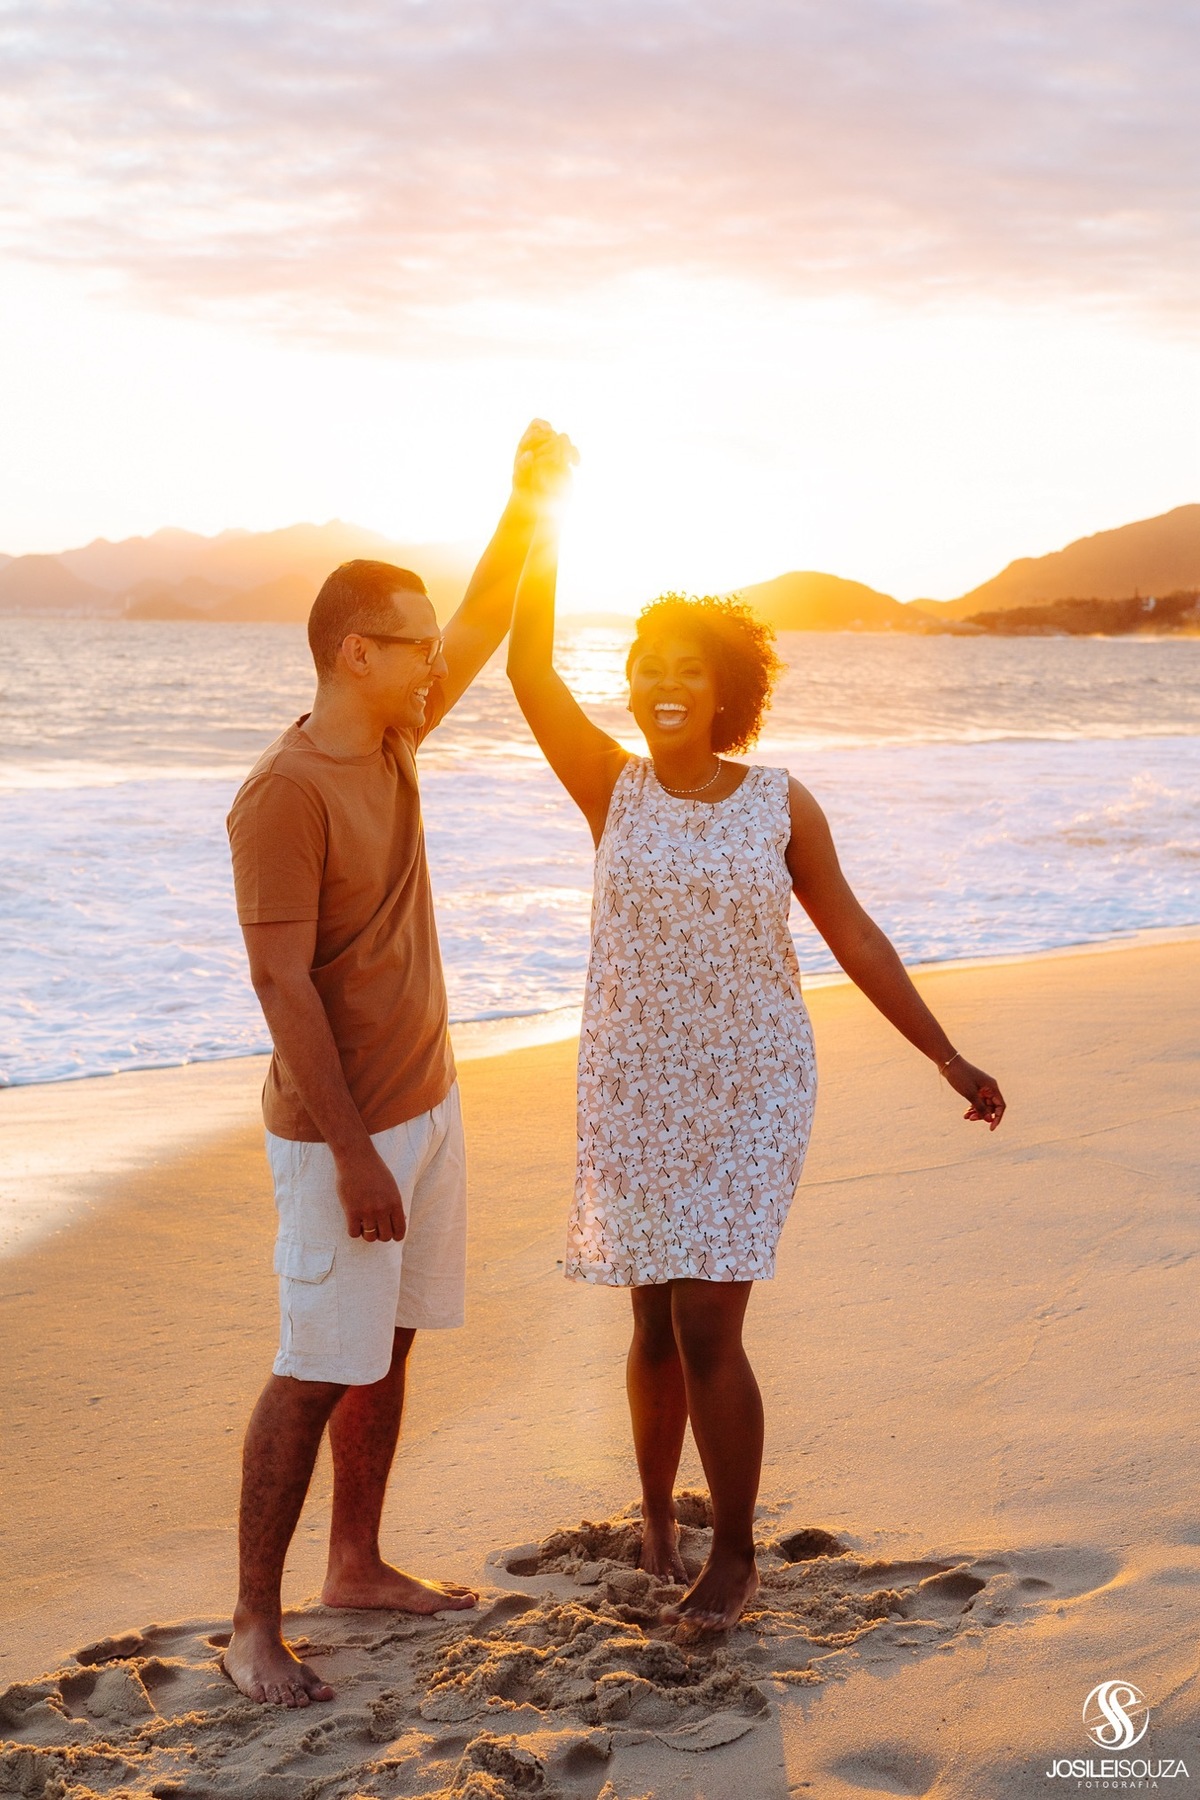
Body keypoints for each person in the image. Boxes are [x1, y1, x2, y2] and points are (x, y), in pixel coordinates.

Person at [506, 486, 1006, 1633]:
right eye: (643, 665)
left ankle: (733, 1555)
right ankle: (656, 1516)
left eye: (685, 667)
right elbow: (529, 667)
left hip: (751, 1085)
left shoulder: (780, 804)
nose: (660, 684)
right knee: (646, 1323)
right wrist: (539, 513)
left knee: (706, 1325)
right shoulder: (610, 788)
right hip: (633, 1082)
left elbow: (854, 933)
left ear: (727, 688)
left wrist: (945, 1054)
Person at [223, 420, 572, 1707]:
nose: (439, 660)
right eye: (414, 644)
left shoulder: (393, 743)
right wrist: (358, 1149)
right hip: (340, 1136)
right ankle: (253, 1623)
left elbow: (483, 618)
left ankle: (355, 1562)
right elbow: (278, 981)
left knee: (393, 1342)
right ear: (355, 652)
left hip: (428, 1105)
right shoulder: (286, 793)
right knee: (317, 1362)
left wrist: (527, 501)